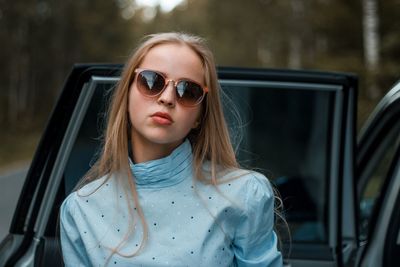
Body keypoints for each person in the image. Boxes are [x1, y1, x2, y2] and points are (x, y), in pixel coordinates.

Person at [60, 32, 283, 267]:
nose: (167, 98)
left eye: (188, 91)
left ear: (199, 116)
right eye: (151, 81)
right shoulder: (80, 210)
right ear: (126, 94)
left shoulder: (244, 194)